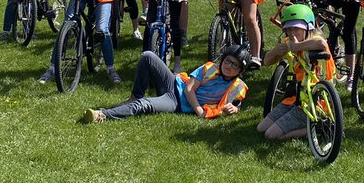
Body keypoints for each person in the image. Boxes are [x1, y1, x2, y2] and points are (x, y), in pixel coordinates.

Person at [82, 43, 250, 123]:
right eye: (228, 61)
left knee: (144, 105)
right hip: (175, 85)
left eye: (235, 65)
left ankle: (102, 115)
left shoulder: (238, 87)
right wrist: (199, 111)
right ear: (222, 59)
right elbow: (189, 90)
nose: (229, 66)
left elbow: (237, 105)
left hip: (176, 103)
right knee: (147, 56)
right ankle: (134, 96)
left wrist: (234, 109)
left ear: (240, 71)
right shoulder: (209, 68)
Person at [258, 4, 333, 141]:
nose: (292, 33)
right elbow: (266, 61)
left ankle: (320, 127)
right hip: (295, 98)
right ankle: (302, 122)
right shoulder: (289, 41)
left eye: (296, 28)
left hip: (315, 102)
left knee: (271, 135)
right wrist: (276, 51)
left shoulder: (315, 39)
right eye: (288, 29)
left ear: (308, 27)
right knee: (261, 128)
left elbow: (322, 44)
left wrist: (297, 46)